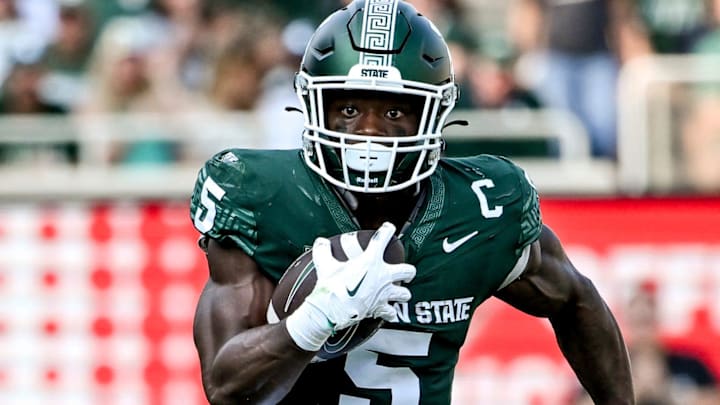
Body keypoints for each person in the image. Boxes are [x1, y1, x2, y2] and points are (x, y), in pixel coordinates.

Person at [189, 1, 634, 403]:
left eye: (394, 112)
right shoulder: (259, 193)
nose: (369, 131)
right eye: (348, 110)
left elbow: (576, 301)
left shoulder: (479, 206)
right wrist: (315, 321)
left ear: (435, 113)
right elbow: (224, 386)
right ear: (312, 105)